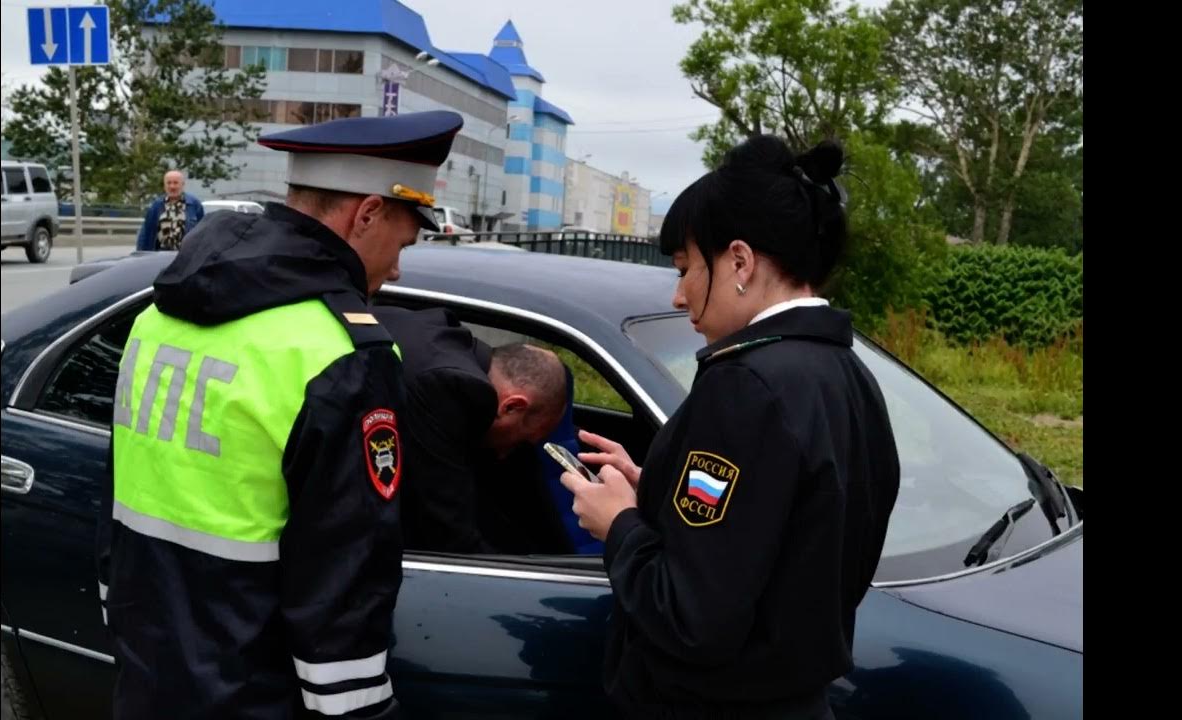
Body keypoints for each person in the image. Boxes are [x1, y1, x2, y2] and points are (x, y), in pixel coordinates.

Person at [96, 110, 464, 719]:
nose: (397, 270)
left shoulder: (157, 317)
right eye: (402, 242)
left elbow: (122, 488)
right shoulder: (345, 355)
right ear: (366, 213)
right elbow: (345, 572)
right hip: (255, 691)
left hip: (148, 672)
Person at [560, 135, 901, 719]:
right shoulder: (845, 374)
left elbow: (690, 617)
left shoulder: (747, 385)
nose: (678, 292)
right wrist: (655, 491)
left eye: (687, 267)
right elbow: (780, 534)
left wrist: (617, 524)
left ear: (739, 262)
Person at [370, 305, 570, 554]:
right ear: (512, 406)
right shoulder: (443, 390)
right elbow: (447, 535)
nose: (503, 455)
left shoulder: (448, 339)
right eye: (520, 441)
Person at [135, 169, 205, 251]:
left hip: (185, 255)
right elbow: (146, 233)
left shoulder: (194, 204)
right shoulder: (156, 206)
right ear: (164, 186)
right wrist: (141, 255)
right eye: (169, 183)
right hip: (160, 255)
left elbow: (202, 233)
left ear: (182, 185)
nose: (172, 186)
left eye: (175, 183)